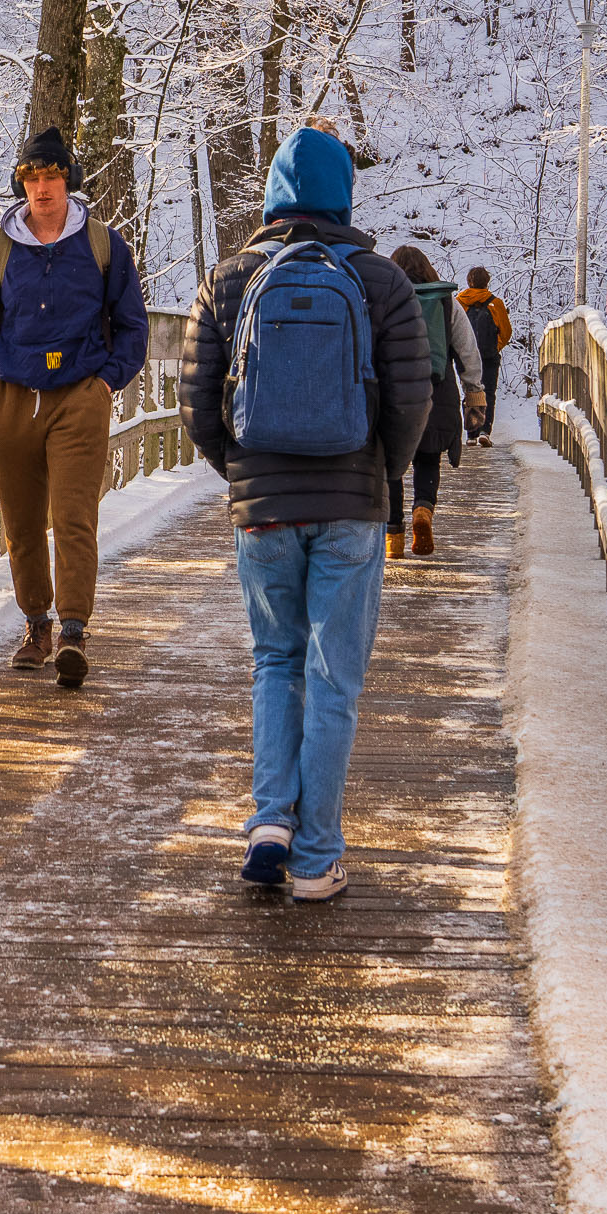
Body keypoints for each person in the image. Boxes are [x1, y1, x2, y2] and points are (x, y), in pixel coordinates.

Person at [181, 126, 428, 903]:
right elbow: (413, 397)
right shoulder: (381, 281)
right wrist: (380, 480)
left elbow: (195, 398)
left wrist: (243, 473)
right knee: (333, 677)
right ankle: (316, 858)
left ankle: (267, 823)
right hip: (353, 504)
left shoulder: (229, 279)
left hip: (264, 511)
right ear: (343, 195)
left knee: (274, 662)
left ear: (273, 195)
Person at [0, 125, 150, 688]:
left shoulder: (102, 245)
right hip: (10, 400)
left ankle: (72, 631)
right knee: (20, 522)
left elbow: (133, 326)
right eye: (33, 178)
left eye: (52, 177)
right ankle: (36, 625)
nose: (42, 189)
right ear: (22, 185)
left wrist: (104, 383)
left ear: (69, 182)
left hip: (77, 399)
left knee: (72, 515)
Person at [383, 246, 484, 558]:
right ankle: (423, 511)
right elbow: (468, 351)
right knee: (428, 457)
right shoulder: (446, 302)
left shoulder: (384, 299)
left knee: (392, 467)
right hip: (436, 392)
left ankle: (393, 538)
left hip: (392, 392)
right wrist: (474, 392)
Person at [458, 266, 513, 443]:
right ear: (486, 282)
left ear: (469, 281)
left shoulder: (459, 302)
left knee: (469, 391)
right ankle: (484, 431)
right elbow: (506, 331)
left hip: (466, 356)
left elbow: (454, 329)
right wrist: (495, 347)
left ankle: (471, 434)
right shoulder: (495, 303)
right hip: (489, 356)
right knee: (488, 392)